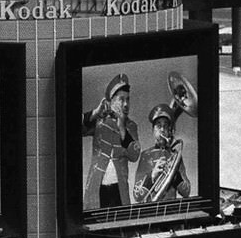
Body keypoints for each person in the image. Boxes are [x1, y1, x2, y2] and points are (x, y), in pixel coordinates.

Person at [82, 73, 140, 209]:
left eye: (128, 100)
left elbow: (134, 155)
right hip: (97, 189)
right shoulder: (100, 121)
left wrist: (121, 127)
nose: (126, 104)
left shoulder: (131, 126)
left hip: (119, 192)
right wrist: (94, 113)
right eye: (121, 99)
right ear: (111, 102)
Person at [133, 104, 191, 204]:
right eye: (159, 126)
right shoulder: (145, 155)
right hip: (150, 211)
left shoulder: (175, 156)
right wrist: (152, 176)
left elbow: (187, 192)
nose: (162, 130)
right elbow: (137, 195)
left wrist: (175, 175)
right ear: (153, 131)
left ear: (169, 131)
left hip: (171, 209)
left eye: (165, 126)